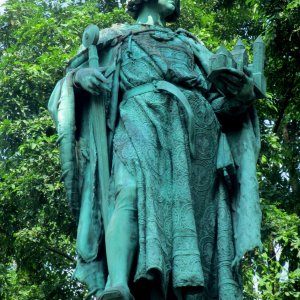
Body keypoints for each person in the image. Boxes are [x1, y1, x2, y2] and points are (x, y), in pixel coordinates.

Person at [48, 0, 262, 299]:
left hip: (197, 137)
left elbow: (220, 108)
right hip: (140, 116)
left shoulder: (189, 43)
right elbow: (65, 88)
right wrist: (79, 79)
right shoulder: (114, 37)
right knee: (129, 189)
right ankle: (118, 284)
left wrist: (241, 97)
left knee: (200, 224)